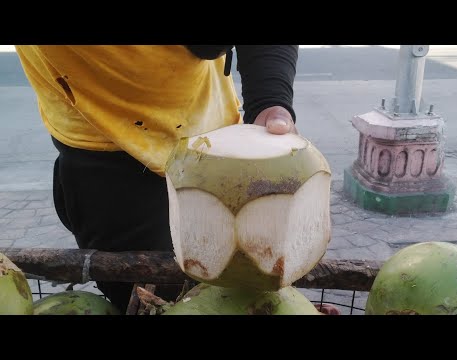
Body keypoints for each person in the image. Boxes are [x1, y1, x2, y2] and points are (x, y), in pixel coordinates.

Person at [15, 45, 338, 315]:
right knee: (143, 296)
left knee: (251, 278)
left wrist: (270, 99)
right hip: (108, 151)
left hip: (214, 133)